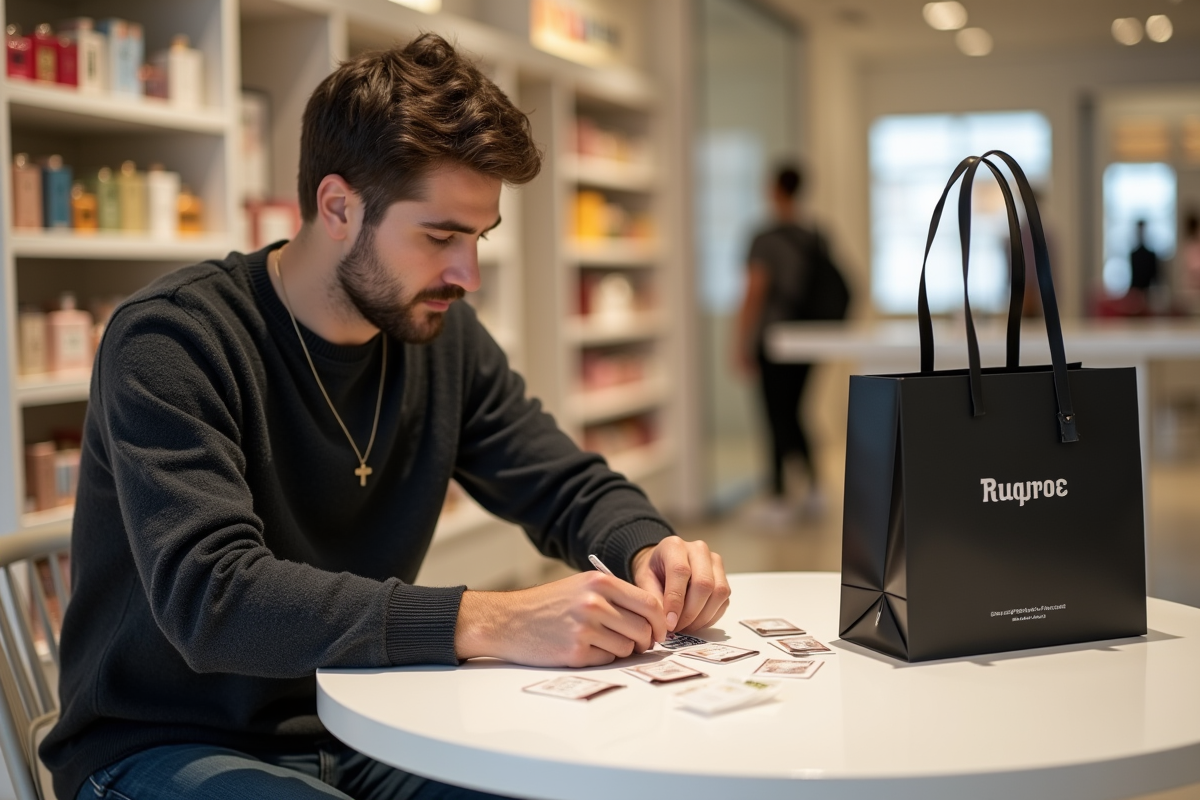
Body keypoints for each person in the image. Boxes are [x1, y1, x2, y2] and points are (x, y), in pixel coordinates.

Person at [40, 35, 729, 800]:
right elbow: (214, 599)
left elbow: (562, 483)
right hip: (161, 742)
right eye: (440, 236)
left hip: (360, 719)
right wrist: (492, 619)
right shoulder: (173, 339)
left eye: (479, 238)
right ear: (338, 206)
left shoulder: (442, 339)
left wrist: (650, 547)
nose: (467, 274)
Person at [735, 164, 845, 524]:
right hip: (809, 340)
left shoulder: (764, 238)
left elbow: (755, 292)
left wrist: (741, 340)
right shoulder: (815, 235)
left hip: (775, 340)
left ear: (774, 189)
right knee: (795, 411)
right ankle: (813, 488)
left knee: (774, 416)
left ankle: (780, 496)